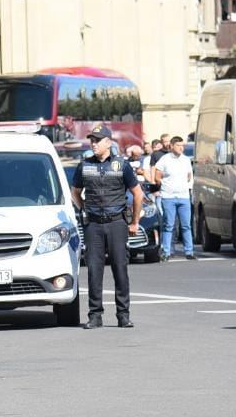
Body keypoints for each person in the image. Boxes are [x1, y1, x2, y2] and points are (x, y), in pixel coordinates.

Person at [71, 124, 143, 329]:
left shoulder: (122, 165)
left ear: (108, 142)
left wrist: (135, 222)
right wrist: (84, 208)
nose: (93, 144)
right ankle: (95, 315)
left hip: (116, 223)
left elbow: (138, 193)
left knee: (120, 269)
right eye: (92, 140)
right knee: (94, 270)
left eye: (97, 140)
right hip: (94, 224)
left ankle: (123, 315)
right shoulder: (84, 166)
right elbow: (75, 192)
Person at [153, 136, 194, 261]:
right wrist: (164, 186)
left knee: (186, 225)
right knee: (168, 225)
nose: (181, 148)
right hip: (168, 197)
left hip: (183, 196)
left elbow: (189, 175)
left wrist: (186, 186)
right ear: (171, 146)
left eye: (182, 145)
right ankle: (166, 252)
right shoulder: (165, 159)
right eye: (178, 145)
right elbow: (157, 176)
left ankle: (189, 251)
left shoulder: (186, 160)